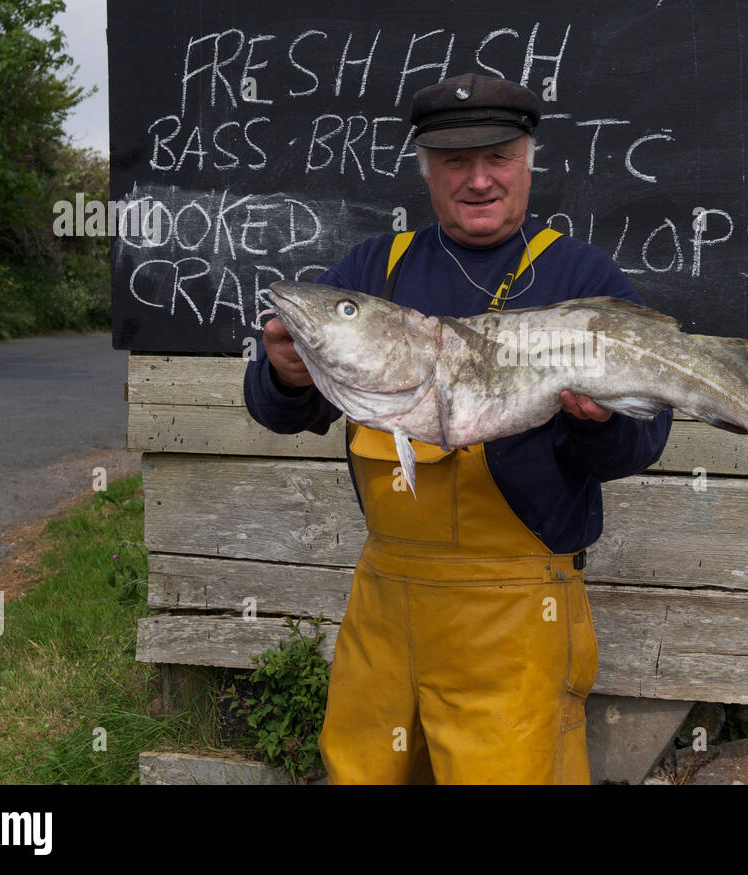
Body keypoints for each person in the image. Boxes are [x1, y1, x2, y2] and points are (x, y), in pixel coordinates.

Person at [243, 72, 673, 784]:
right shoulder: (371, 272)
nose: (478, 179)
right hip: (385, 608)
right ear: (426, 170)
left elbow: (641, 443)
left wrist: (598, 425)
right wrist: (286, 375)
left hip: (516, 617)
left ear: (528, 160)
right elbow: (281, 410)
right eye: (454, 162)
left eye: (498, 157)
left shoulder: (580, 277)